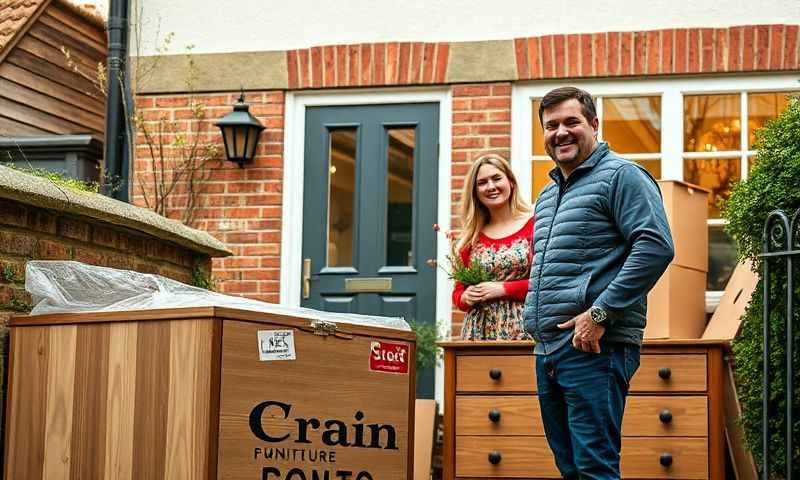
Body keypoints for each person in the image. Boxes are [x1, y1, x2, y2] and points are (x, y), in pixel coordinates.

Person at [523, 87, 674, 479]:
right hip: (550, 350)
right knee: (571, 468)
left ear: (593, 124)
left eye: (571, 122)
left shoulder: (623, 176)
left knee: (594, 468)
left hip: (595, 347)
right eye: (551, 125)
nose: (561, 133)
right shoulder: (548, 192)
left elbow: (656, 247)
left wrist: (601, 312)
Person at [452, 153, 534, 340]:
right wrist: (466, 296)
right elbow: (458, 293)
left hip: (523, 330)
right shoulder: (470, 237)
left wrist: (503, 289)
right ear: (475, 192)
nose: (491, 186)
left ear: (511, 182)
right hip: (477, 333)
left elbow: (546, 283)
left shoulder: (534, 225)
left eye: (497, 178)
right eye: (482, 182)